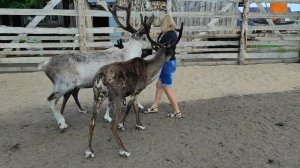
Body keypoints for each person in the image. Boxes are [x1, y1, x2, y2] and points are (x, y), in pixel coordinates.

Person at [144, 15, 182, 118]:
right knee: (159, 84)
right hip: (167, 62)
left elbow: (161, 48)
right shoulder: (168, 33)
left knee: (166, 87)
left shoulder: (169, 35)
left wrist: (155, 46)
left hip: (167, 64)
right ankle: (154, 106)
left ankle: (177, 111)